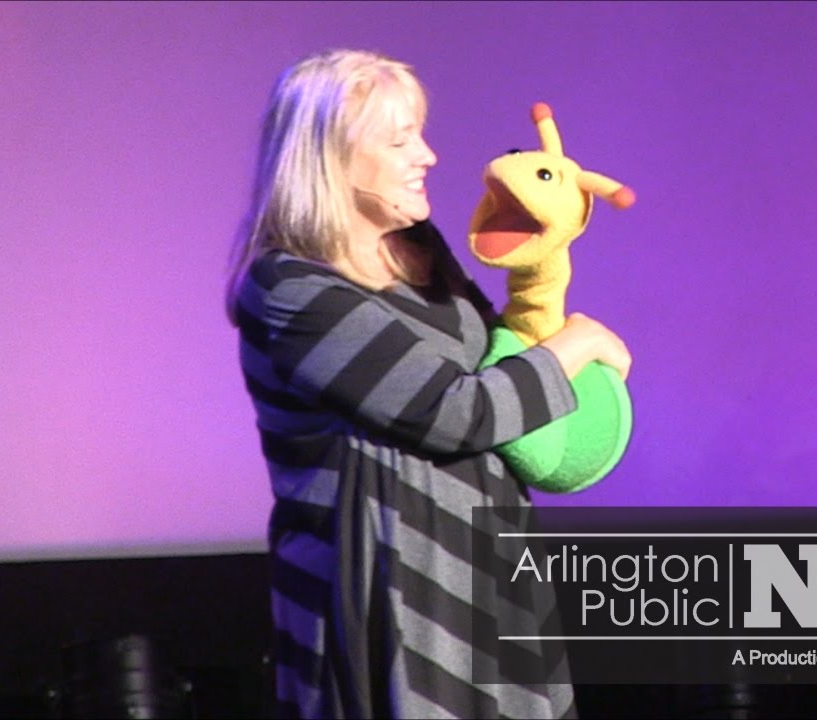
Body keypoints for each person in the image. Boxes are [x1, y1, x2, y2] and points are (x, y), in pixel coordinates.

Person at [226, 49, 631, 719]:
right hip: (392, 592)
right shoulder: (289, 288)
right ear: (330, 159)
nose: (428, 156)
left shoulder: (420, 248)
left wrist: (544, 276)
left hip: (485, 572)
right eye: (399, 140)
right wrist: (577, 343)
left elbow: (499, 360)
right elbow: (453, 412)